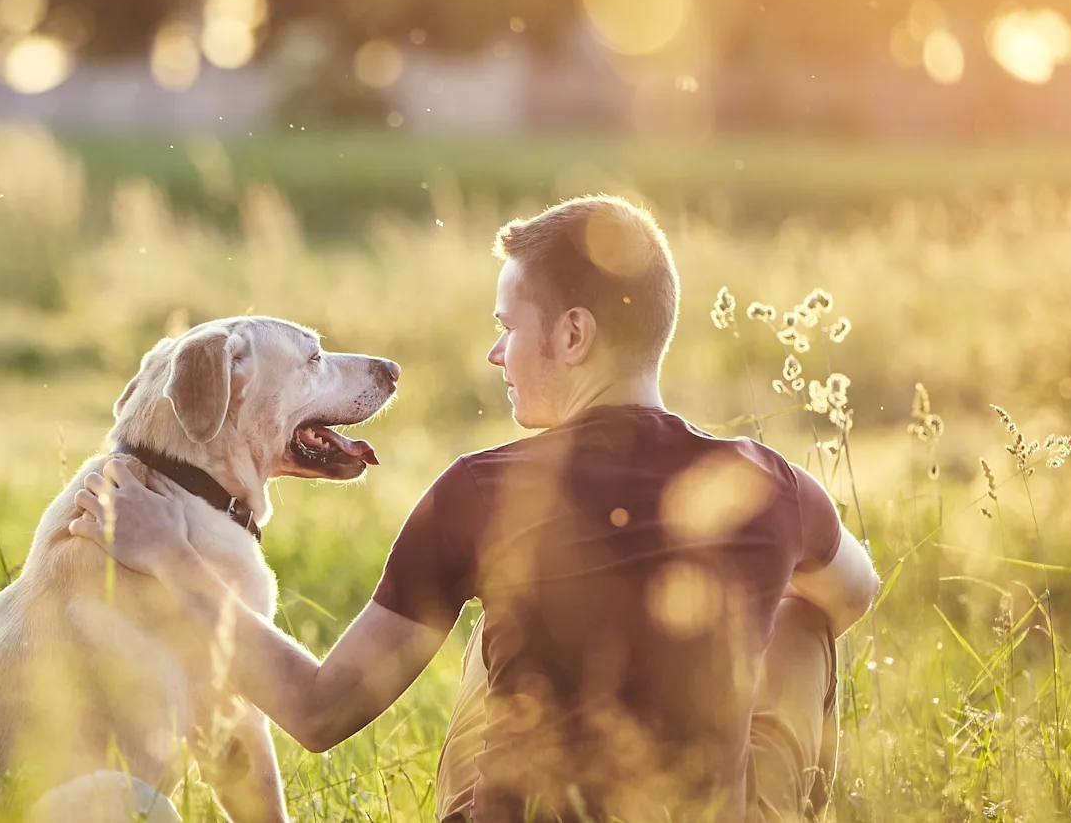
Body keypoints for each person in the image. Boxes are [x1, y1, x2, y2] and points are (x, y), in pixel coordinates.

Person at [70, 196, 879, 821]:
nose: (496, 354)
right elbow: (854, 594)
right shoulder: (768, 482)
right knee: (801, 616)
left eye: (507, 328)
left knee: (495, 613)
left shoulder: (482, 491)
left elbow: (317, 713)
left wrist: (171, 557)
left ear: (572, 335)